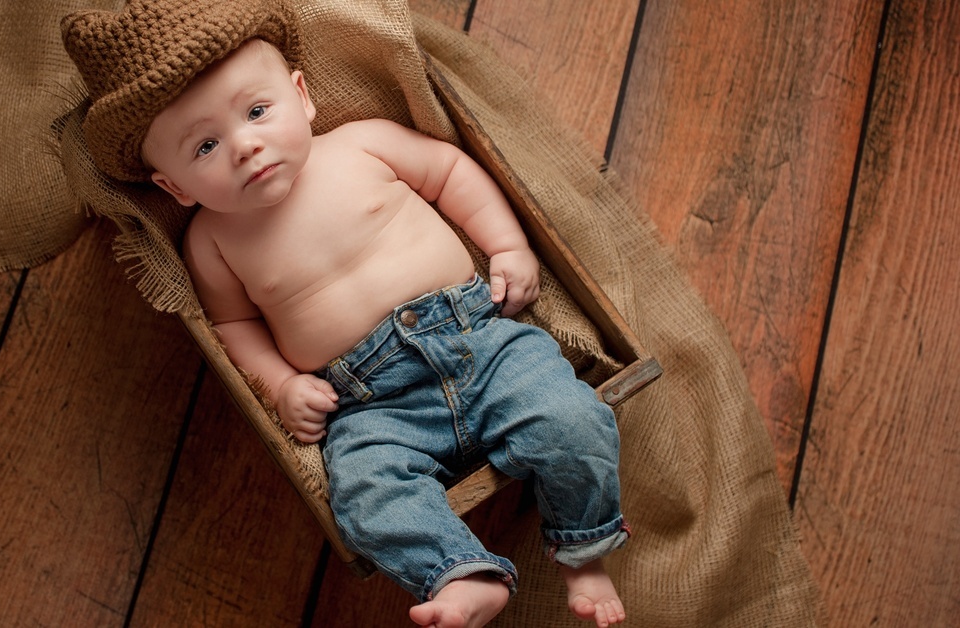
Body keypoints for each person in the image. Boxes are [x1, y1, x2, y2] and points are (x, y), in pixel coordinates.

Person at [63, 2, 628, 626]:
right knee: (362, 495)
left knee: (570, 416)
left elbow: (448, 172)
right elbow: (236, 328)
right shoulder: (210, 242)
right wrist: (281, 386)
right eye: (204, 146)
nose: (245, 146)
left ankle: (583, 547)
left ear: (302, 98)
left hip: (480, 343)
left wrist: (508, 245)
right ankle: (461, 572)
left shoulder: (362, 144)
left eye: (256, 112)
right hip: (369, 407)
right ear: (174, 187)